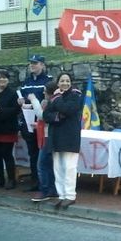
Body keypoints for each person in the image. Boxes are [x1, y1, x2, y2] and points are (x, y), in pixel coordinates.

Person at [43, 72, 83, 210]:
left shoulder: (75, 95)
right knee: (58, 167)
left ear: (71, 83)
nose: (65, 83)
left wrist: (57, 100)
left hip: (70, 136)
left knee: (69, 167)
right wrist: (59, 116)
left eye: (67, 81)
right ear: (58, 83)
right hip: (56, 136)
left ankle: (70, 196)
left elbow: (68, 109)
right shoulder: (54, 97)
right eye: (62, 81)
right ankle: (61, 195)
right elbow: (46, 115)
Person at [18, 54, 51, 192]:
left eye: (35, 63)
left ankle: (45, 182)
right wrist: (21, 102)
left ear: (42, 65)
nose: (32, 65)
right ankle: (35, 181)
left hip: (42, 123)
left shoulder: (49, 81)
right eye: (31, 63)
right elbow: (24, 101)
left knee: (44, 154)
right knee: (32, 153)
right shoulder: (26, 82)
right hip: (28, 122)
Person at [28, 81, 59, 201]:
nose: (43, 92)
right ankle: (52, 190)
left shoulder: (50, 102)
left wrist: (33, 100)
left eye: (45, 90)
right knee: (48, 165)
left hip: (47, 137)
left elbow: (42, 115)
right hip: (47, 135)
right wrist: (38, 125)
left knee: (41, 165)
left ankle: (45, 190)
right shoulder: (49, 102)